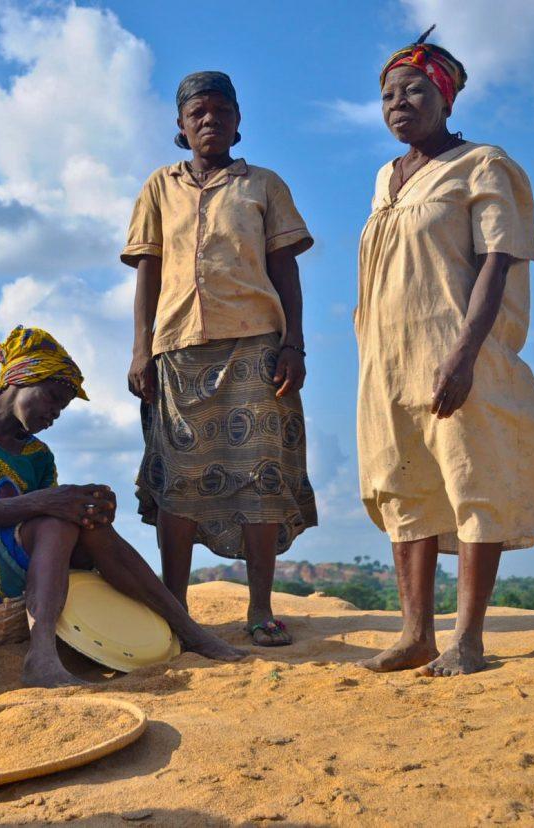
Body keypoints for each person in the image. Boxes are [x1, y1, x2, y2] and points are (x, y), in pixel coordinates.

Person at [355, 28, 534, 676]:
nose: (398, 103)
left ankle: (467, 639)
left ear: (445, 99)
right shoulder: (385, 178)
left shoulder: (483, 165)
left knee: (476, 482)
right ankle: (415, 632)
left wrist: (465, 355)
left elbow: (498, 261)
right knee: (403, 487)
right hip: (386, 360)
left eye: (414, 90)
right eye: (388, 94)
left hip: (455, 352)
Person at [0, 325, 244, 688]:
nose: (56, 413)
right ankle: (40, 658)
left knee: (87, 526)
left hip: (15, 559)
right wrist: (54, 502)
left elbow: (56, 524)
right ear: (22, 378)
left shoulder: (38, 455)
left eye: (63, 406)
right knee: (56, 522)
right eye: (52, 398)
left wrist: (89, 509)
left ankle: (188, 630)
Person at [122, 71, 318, 646]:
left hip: (257, 346)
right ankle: (175, 610)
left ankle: (259, 609)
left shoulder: (264, 185)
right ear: (181, 128)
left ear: (238, 120)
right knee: (179, 484)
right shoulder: (159, 187)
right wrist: (141, 348)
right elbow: (148, 272)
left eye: (221, 112)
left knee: (259, 477)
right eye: (197, 114)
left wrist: (294, 344)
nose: (210, 121)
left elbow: (286, 269)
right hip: (177, 351)